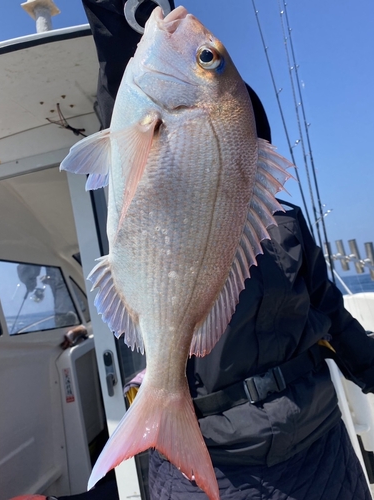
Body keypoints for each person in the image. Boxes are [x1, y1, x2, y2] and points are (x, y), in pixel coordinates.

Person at [77, 1, 374, 499]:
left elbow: (331, 316)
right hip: (215, 460)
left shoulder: (288, 224)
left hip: (319, 443)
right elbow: (124, 71)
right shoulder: (153, 144)